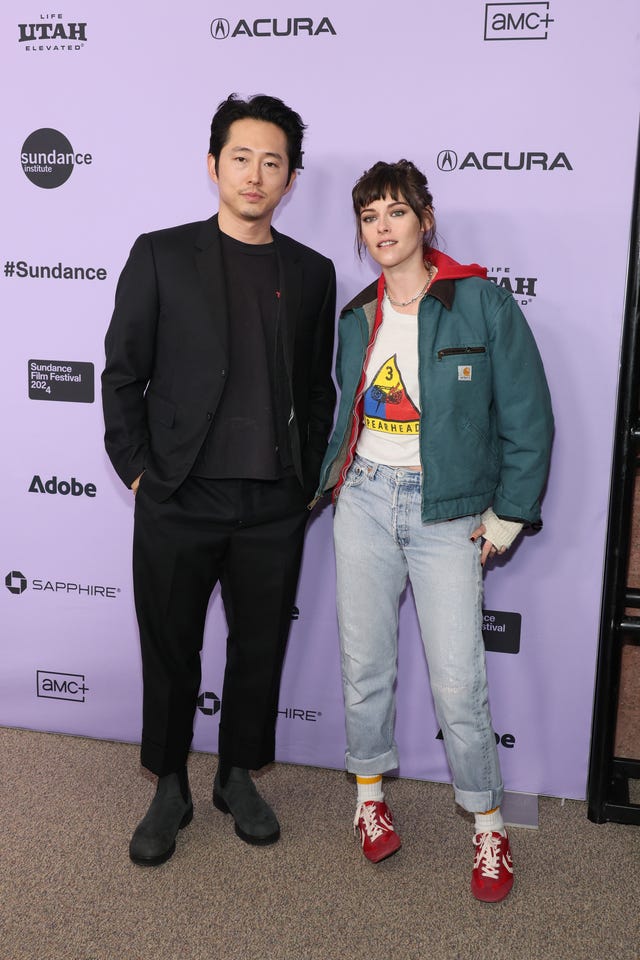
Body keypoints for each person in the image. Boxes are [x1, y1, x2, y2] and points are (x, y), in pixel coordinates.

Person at [101, 94, 336, 866]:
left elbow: (317, 386)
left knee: (259, 646)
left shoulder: (312, 271)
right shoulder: (161, 254)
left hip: (274, 500)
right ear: (213, 166)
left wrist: (307, 482)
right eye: (242, 158)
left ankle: (238, 775)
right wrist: (137, 470)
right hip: (179, 494)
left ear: (291, 178)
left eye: (273, 162)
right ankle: (169, 782)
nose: (256, 175)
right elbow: (123, 372)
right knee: (170, 646)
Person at [315, 160, 553, 902]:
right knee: (365, 667)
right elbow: (341, 411)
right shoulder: (359, 313)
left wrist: (508, 515)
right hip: (362, 501)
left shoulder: (481, 303)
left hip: (447, 512)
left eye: (395, 211)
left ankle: (488, 829)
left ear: (425, 218)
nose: (382, 228)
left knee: (458, 684)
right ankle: (369, 799)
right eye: (369, 217)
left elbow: (527, 415)